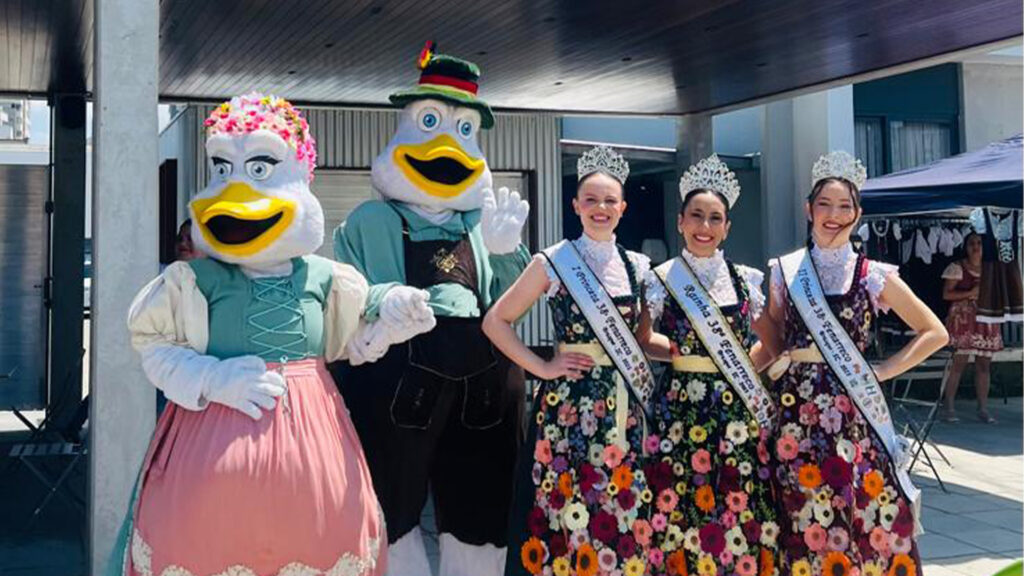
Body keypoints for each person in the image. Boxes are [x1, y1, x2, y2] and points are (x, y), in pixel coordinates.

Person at [112, 93, 432, 576]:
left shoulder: (325, 277)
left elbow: (358, 331)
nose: (236, 192)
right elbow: (153, 345)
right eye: (222, 169)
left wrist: (391, 313)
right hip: (209, 445)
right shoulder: (195, 281)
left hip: (316, 438)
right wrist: (211, 378)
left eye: (260, 168)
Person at [331, 43, 531, 576]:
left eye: (464, 131)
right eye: (430, 122)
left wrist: (509, 254)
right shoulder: (372, 221)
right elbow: (346, 292)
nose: (448, 145)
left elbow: (515, 304)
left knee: (480, 503)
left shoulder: (481, 222)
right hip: (401, 377)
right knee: (388, 500)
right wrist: (383, 306)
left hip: (485, 383)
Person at [759, 151, 948, 576]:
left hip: (853, 414)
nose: (833, 214)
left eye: (845, 206)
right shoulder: (783, 272)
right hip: (795, 413)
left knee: (859, 506)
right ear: (808, 209)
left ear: (859, 214)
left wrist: (882, 370)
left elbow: (935, 332)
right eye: (824, 204)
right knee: (800, 507)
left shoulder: (873, 274)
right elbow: (770, 342)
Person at [484, 145, 655, 576]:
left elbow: (641, 340)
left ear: (623, 207)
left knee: (619, 509)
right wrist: (541, 368)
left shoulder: (639, 267)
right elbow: (496, 322)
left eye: (610, 200)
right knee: (567, 507)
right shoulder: (554, 261)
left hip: (624, 410)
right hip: (569, 409)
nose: (601, 208)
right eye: (591, 200)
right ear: (576, 205)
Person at [640, 155, 780, 576]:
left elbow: (772, 343)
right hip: (680, 407)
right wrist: (683, 355)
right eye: (696, 216)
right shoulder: (660, 278)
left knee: (734, 501)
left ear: (727, 227)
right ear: (680, 220)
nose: (705, 227)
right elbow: (643, 339)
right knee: (678, 499)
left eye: (715, 218)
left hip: (734, 409)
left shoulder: (745, 279)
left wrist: (736, 366)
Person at [941, 231, 1003, 423]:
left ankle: (983, 408)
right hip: (964, 320)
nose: (976, 247)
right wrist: (971, 293)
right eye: (971, 243)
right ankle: (949, 406)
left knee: (984, 365)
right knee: (959, 362)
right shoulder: (957, 267)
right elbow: (947, 295)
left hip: (986, 319)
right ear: (965, 247)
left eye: (979, 243)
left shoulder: (992, 268)